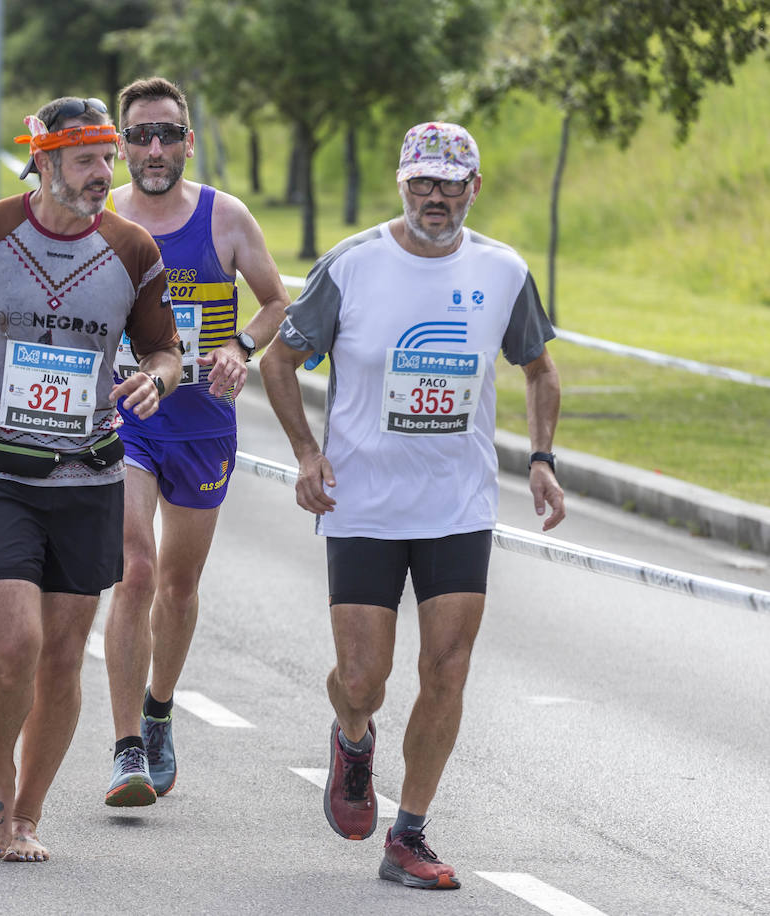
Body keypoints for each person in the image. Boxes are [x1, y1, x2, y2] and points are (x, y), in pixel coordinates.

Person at [260, 122, 564, 889]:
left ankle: (411, 834)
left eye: (450, 184)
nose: (435, 198)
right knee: (363, 679)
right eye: (421, 183)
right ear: (401, 184)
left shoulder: (503, 270)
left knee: (448, 669)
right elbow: (280, 359)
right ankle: (353, 737)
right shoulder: (354, 265)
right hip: (361, 502)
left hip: (458, 505)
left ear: (475, 188)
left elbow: (538, 368)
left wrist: (541, 460)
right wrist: (305, 452)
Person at [0, 96, 181, 862]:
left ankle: (25, 814)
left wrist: (157, 378)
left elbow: (164, 350)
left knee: (63, 652)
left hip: (89, 474)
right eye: (88, 159)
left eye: (109, 159)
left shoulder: (131, 249)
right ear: (46, 159)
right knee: (16, 642)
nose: (104, 173)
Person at [100, 76, 290, 807]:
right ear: (120, 144)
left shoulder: (225, 217)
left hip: (204, 424)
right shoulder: (103, 218)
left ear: (187, 141)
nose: (154, 148)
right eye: (141, 134)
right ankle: (125, 752)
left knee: (178, 586)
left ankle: (157, 710)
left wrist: (240, 345)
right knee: (136, 572)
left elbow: (275, 299)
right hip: (128, 419)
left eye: (167, 134)